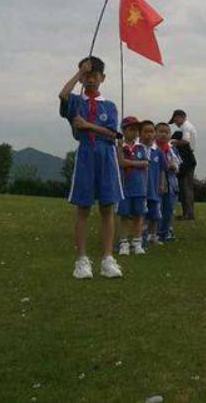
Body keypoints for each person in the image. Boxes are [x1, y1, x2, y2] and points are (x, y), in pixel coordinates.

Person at [58, 56, 124, 279]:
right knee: (83, 209)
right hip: (86, 155)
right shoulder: (77, 102)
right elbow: (63, 95)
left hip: (106, 156)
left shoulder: (110, 105)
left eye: (94, 75)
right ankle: (82, 260)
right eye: (87, 76)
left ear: (102, 78)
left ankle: (107, 259)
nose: (91, 80)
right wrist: (78, 73)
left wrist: (87, 125)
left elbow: (113, 134)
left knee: (107, 208)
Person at [117, 116, 150, 256]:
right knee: (123, 216)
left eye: (136, 130)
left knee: (139, 215)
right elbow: (120, 163)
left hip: (139, 187)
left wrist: (130, 162)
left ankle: (137, 242)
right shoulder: (119, 146)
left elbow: (146, 163)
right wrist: (136, 163)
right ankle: (123, 242)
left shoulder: (141, 147)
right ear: (123, 131)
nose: (135, 133)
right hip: (124, 186)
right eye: (131, 129)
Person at [155, 122, 180, 242]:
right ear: (155, 133)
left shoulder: (171, 149)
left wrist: (174, 166)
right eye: (161, 131)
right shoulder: (152, 148)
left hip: (171, 183)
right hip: (157, 182)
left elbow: (178, 163)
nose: (164, 134)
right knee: (156, 208)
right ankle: (154, 232)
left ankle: (166, 231)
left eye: (167, 132)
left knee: (169, 209)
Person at [170, 110, 198, 219]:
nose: (175, 122)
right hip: (189, 158)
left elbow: (186, 141)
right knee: (187, 187)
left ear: (181, 117)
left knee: (185, 187)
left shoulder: (185, 127)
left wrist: (172, 142)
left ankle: (188, 214)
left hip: (186, 159)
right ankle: (188, 213)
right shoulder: (188, 126)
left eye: (176, 119)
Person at [141, 120, 163, 246]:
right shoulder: (138, 149)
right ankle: (141, 236)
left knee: (155, 214)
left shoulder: (157, 151)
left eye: (151, 132)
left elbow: (162, 169)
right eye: (146, 132)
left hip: (154, 188)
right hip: (141, 187)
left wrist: (162, 183)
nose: (149, 135)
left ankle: (153, 236)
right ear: (140, 134)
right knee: (141, 213)